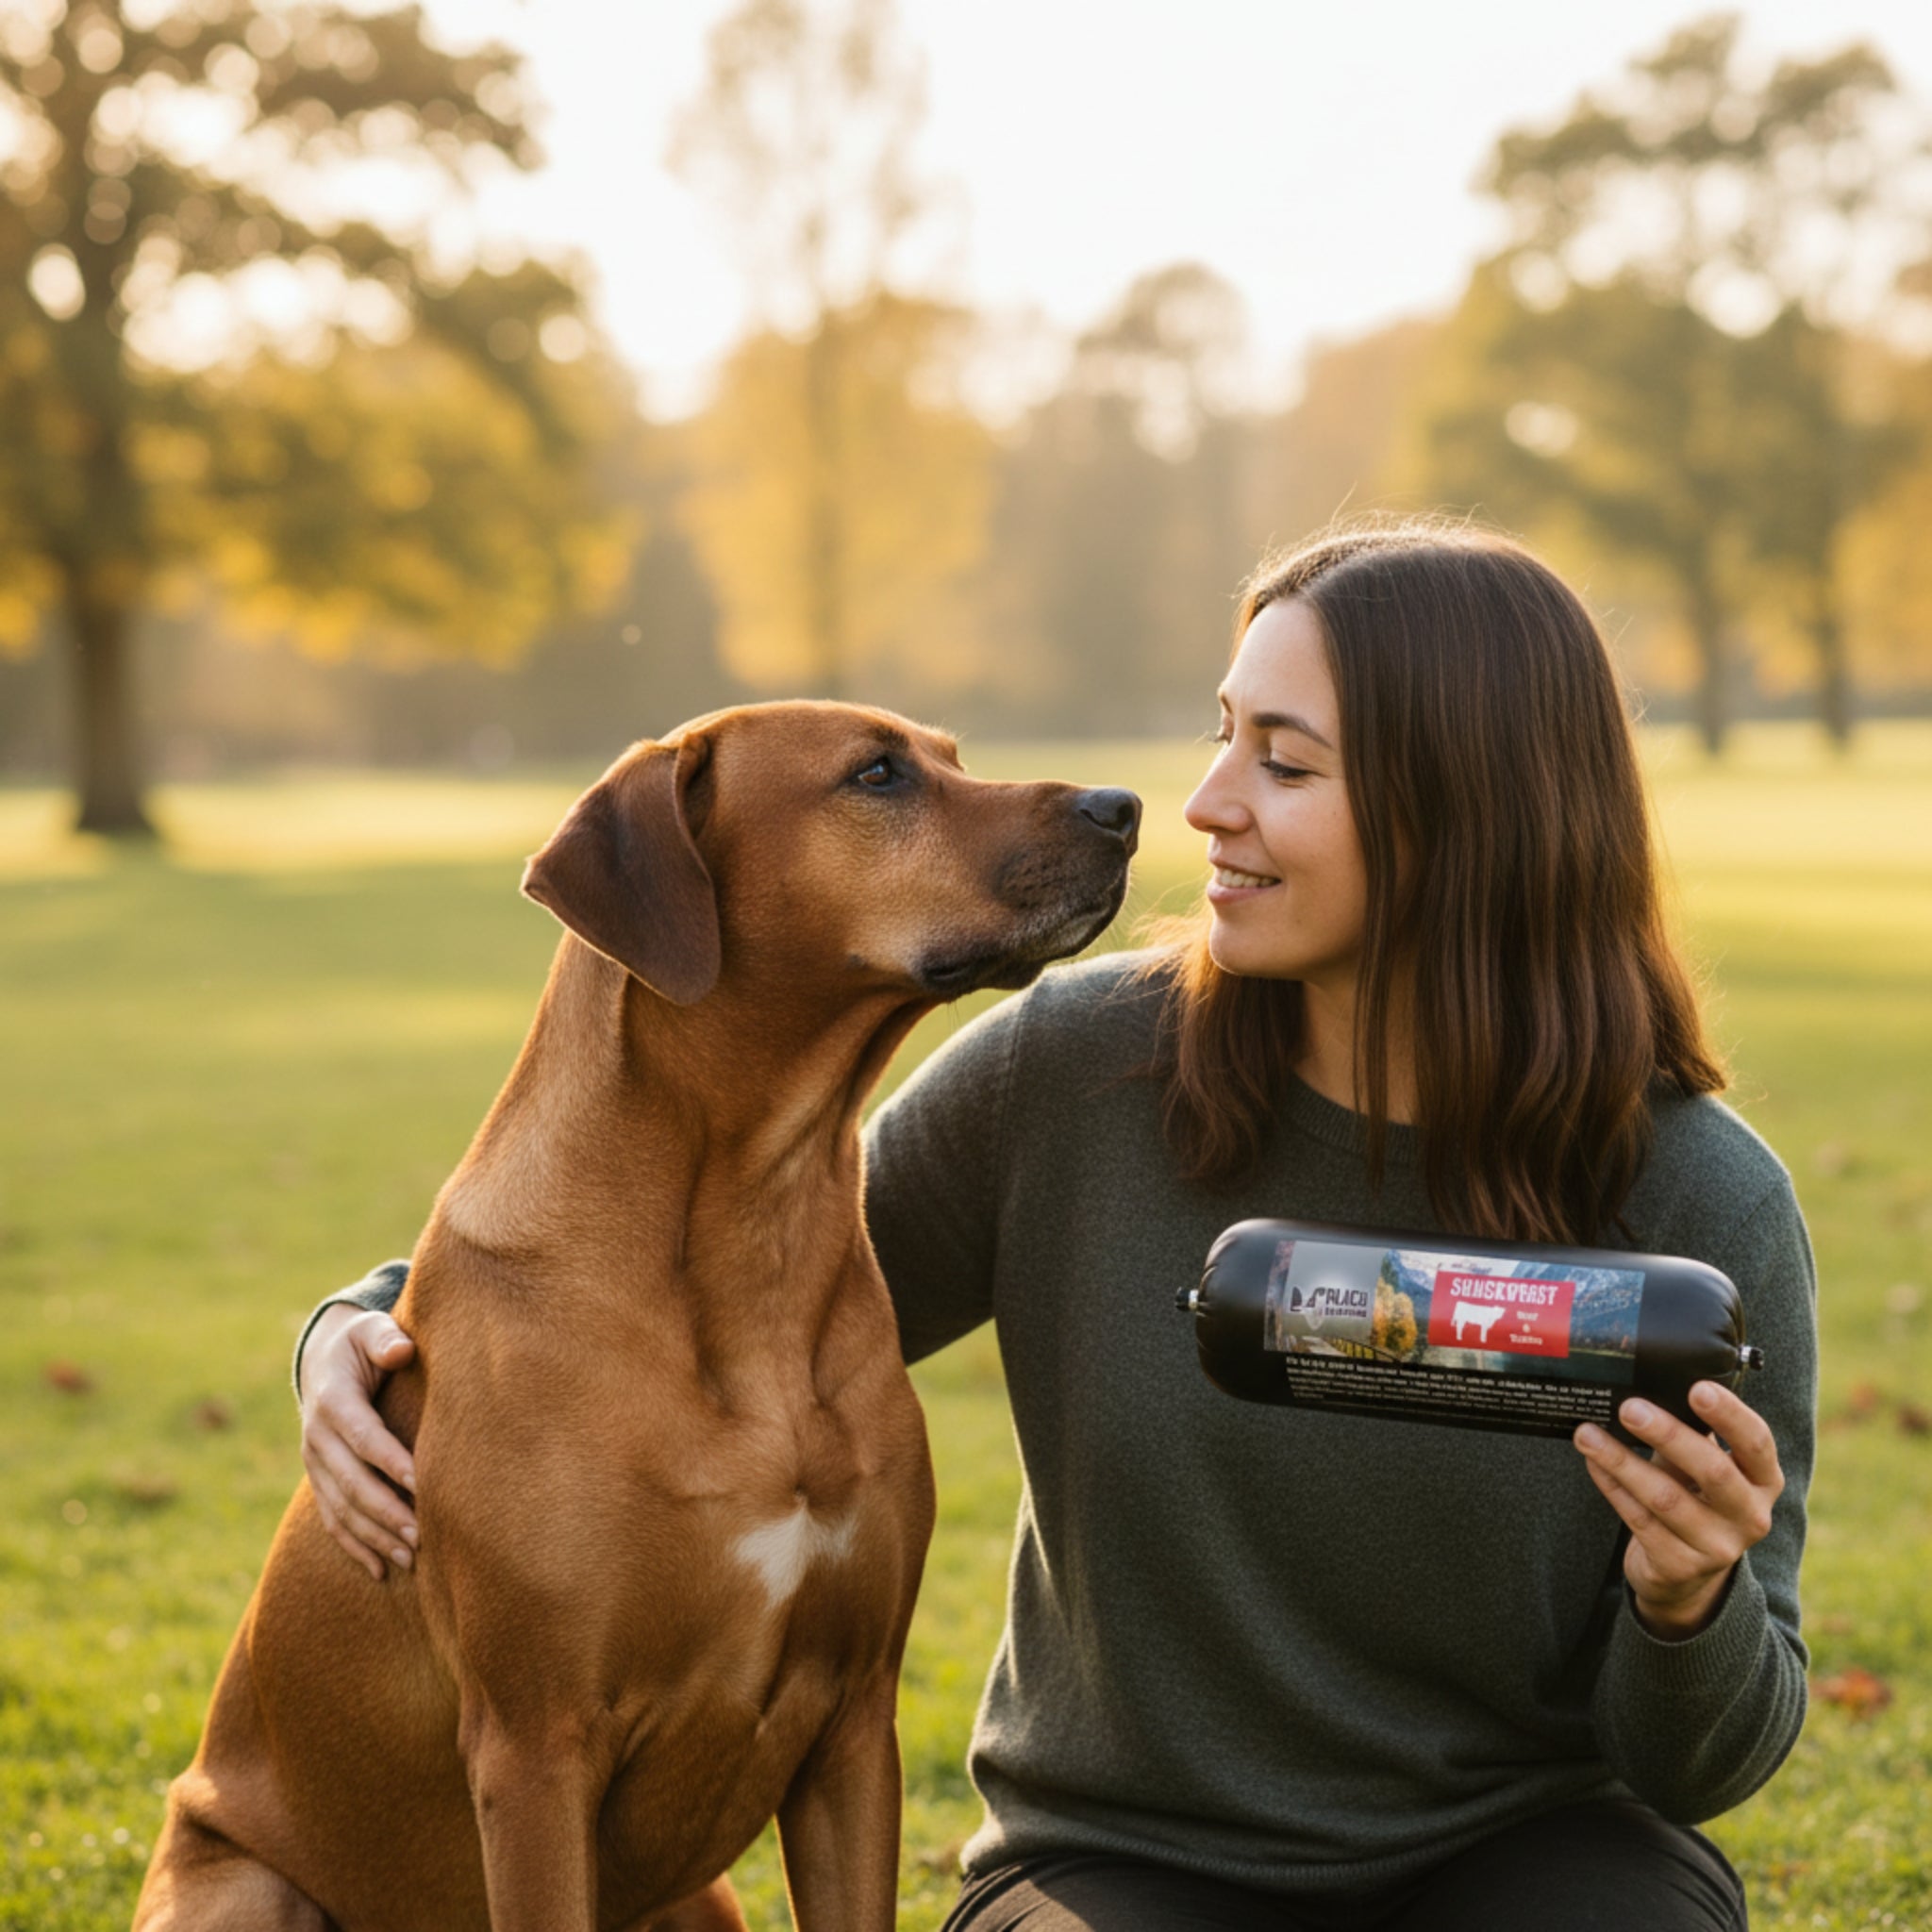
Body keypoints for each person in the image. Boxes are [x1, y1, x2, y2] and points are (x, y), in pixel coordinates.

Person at [294, 521, 1814, 1931]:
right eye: (1226, 737)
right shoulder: (1080, 1076)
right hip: (1122, 1865)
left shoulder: (1699, 1204)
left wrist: (1687, 1604)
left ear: (1469, 812)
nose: (1208, 802)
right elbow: (687, 1271)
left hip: (1524, 1857)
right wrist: (356, 1330)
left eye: (1285, 764)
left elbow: (1707, 1763)